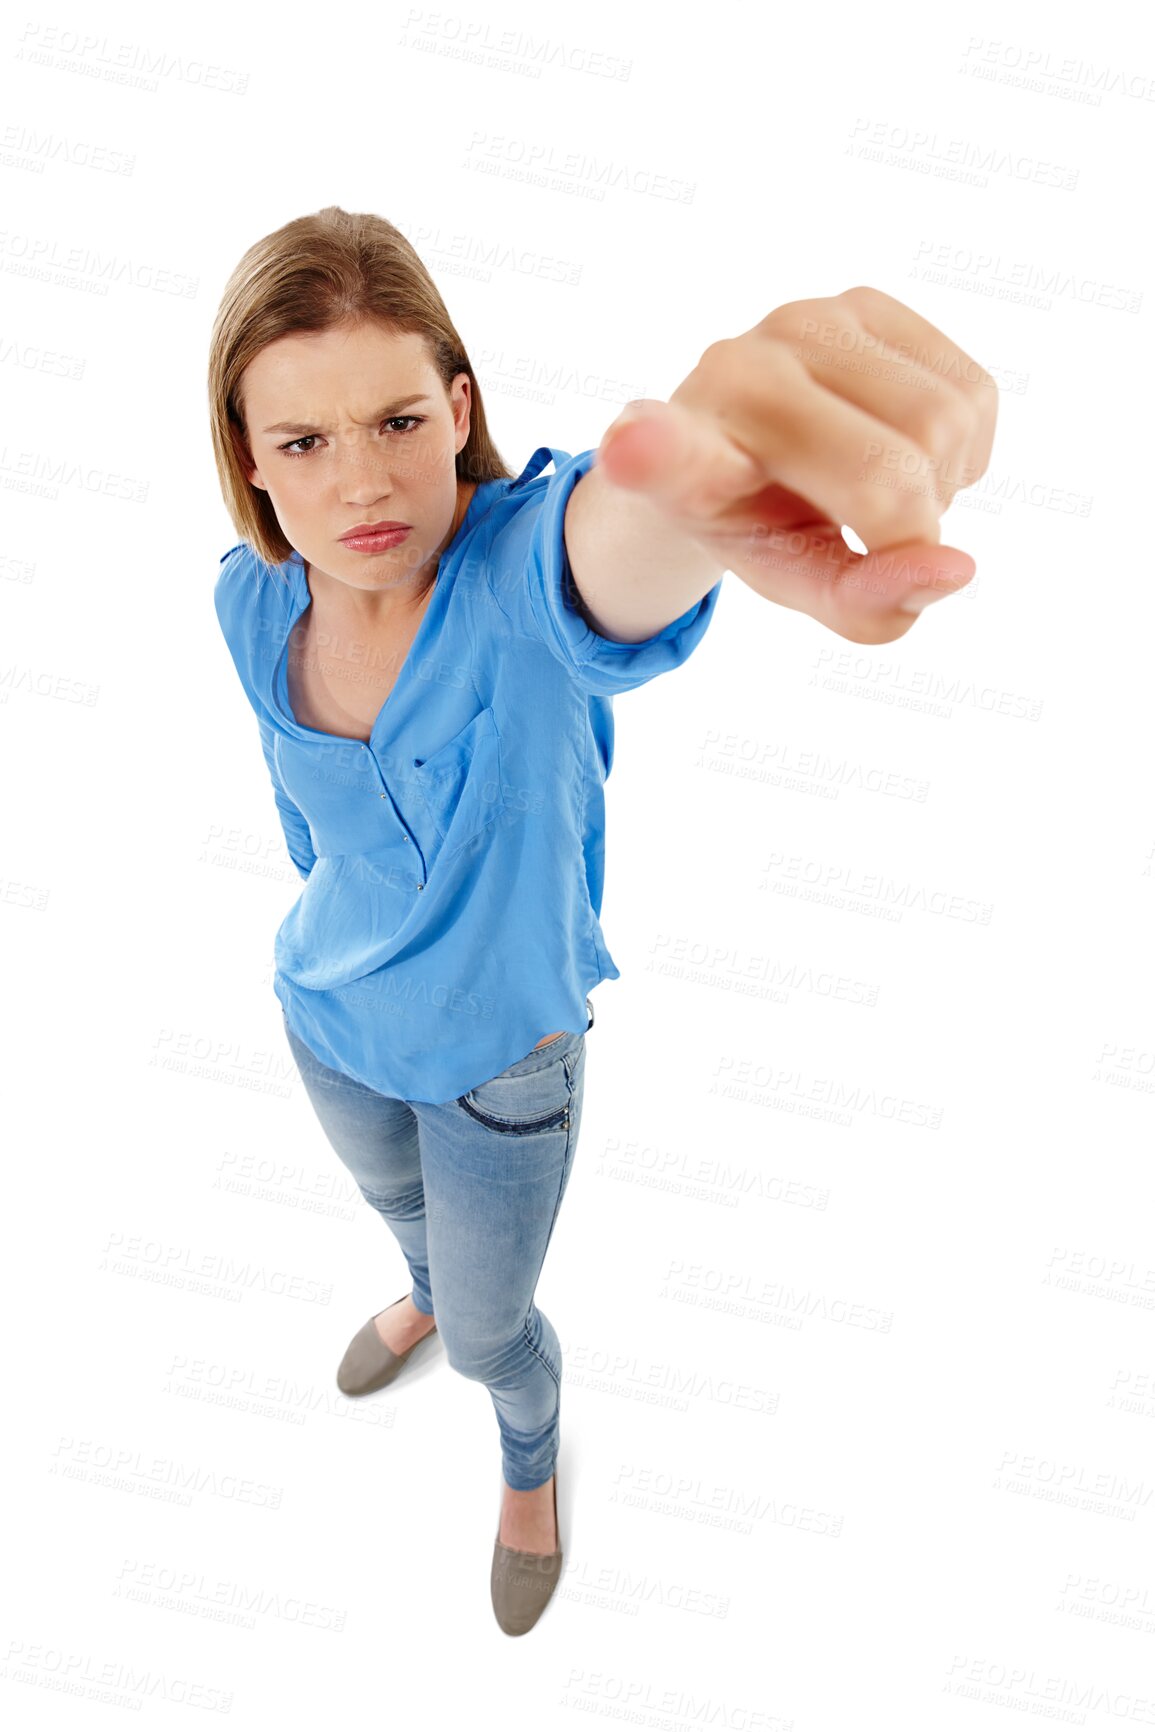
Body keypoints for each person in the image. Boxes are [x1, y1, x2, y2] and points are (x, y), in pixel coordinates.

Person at [208, 207, 995, 1637]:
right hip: (325, 1023)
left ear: (458, 409)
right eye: (305, 443)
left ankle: (525, 1454)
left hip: (504, 1071)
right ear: (252, 461)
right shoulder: (249, 607)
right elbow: (305, 823)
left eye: (394, 419)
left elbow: (605, 551)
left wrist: (704, 458)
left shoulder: (515, 582)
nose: (364, 480)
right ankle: (426, 1292)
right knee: (408, 1232)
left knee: (502, 1328)